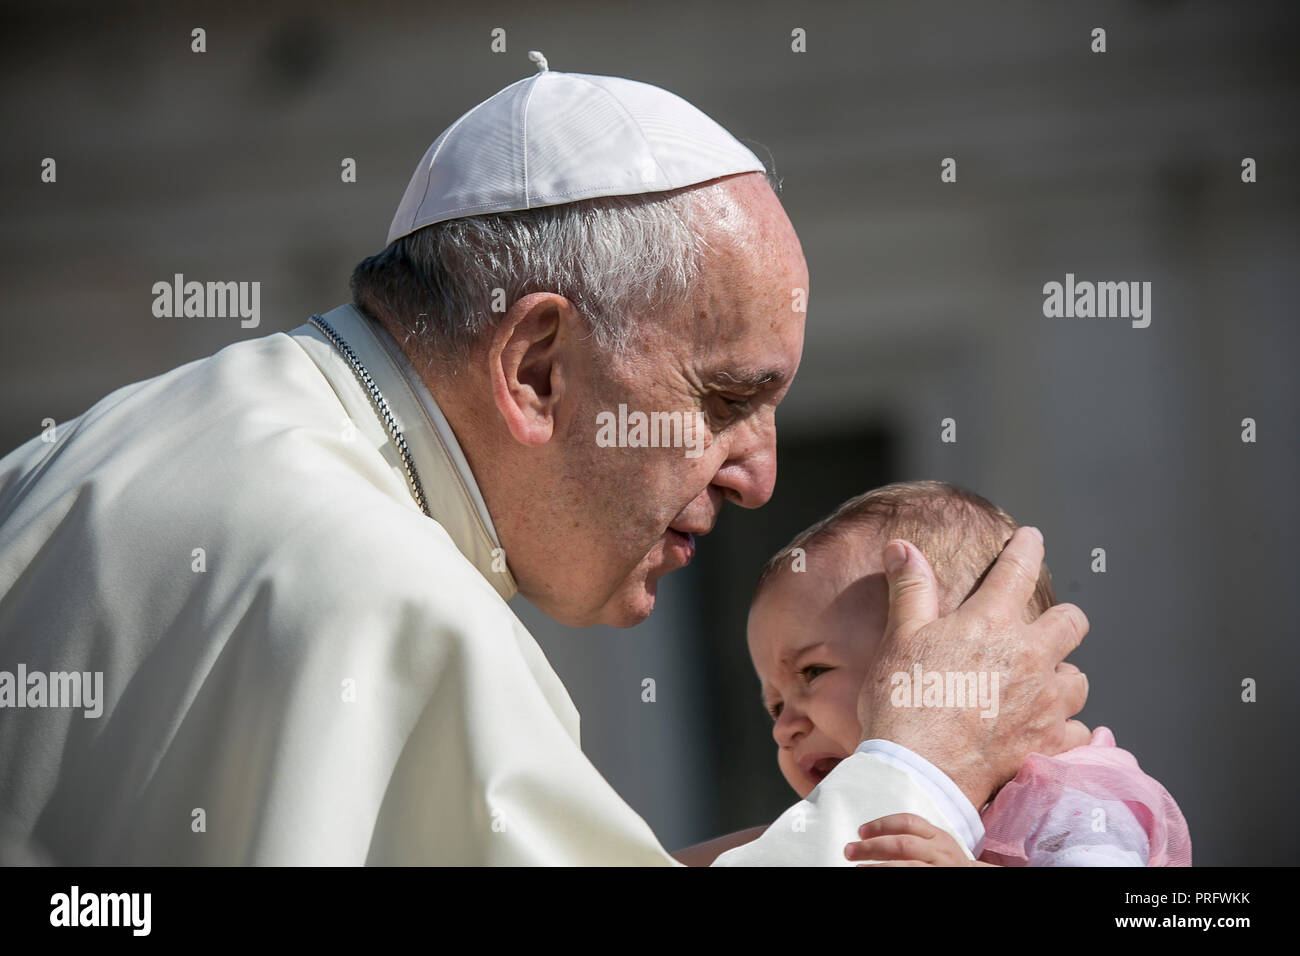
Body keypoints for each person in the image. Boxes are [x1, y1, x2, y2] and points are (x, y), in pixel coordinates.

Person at [0, 56, 1090, 865]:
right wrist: (918, 770)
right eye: (723, 398)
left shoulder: (88, 454)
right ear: (533, 368)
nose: (756, 475)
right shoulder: (392, 601)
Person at [741, 480, 1190, 866]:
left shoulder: (1067, 797)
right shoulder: (843, 829)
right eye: (775, 705)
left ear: (954, 655)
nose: (784, 727)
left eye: (813, 670)